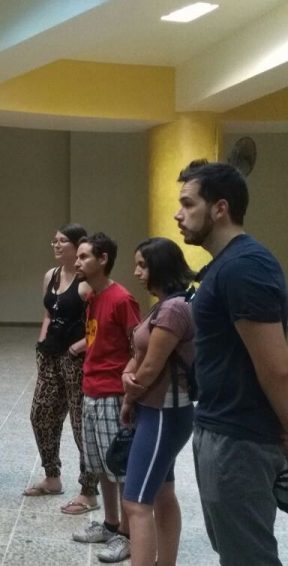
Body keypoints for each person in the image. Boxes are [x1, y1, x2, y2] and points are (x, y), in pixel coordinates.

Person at [174, 160, 288, 565]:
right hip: (220, 427)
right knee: (234, 550)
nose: (178, 214)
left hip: (242, 437)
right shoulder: (225, 265)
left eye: (188, 203)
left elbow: (276, 367)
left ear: (220, 208)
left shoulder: (244, 267)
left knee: (248, 557)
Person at [120, 237, 195, 566]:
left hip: (164, 413)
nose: (137, 272)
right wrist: (128, 374)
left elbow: (150, 367)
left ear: (160, 267)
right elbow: (141, 355)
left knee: (136, 503)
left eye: (143, 265)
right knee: (162, 493)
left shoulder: (174, 309)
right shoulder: (165, 305)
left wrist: (129, 394)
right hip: (158, 410)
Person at [71, 232, 140, 564]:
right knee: (99, 465)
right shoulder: (93, 297)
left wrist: (128, 389)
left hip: (113, 394)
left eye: (84, 256)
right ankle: (111, 523)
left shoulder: (122, 298)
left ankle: (127, 534)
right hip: (91, 390)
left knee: (120, 468)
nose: (77, 262)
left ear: (103, 259)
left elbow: (138, 346)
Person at [25, 223, 100, 516]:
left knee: (81, 425)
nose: (56, 246)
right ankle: (52, 477)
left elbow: (98, 325)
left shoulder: (87, 284)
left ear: (77, 245)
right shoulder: (52, 276)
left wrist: (78, 347)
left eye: (62, 241)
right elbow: (48, 313)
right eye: (53, 241)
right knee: (41, 414)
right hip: (50, 356)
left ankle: (88, 491)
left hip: (76, 361)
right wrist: (41, 343)